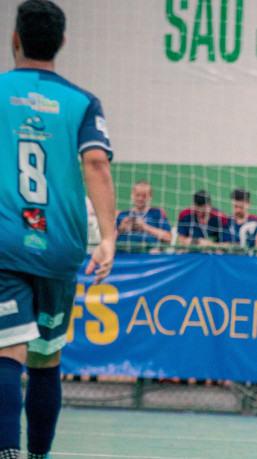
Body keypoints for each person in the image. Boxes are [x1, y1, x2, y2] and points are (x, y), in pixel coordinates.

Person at [0, 2, 117, 458]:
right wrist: (107, 238)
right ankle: (37, 455)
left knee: (8, 351)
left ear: (15, 38)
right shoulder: (83, 102)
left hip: (6, 244)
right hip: (59, 247)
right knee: (46, 360)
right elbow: (96, 163)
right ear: (62, 42)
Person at [115, 181, 172, 250]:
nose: (140, 199)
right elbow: (109, 239)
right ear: (132, 195)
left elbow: (168, 238)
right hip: (123, 252)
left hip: (148, 253)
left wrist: (145, 227)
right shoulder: (122, 214)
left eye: (144, 196)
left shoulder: (157, 213)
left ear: (150, 197)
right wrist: (120, 229)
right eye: (137, 195)